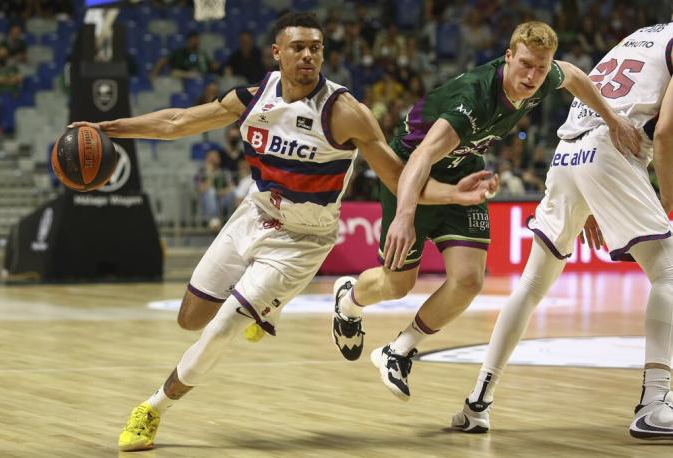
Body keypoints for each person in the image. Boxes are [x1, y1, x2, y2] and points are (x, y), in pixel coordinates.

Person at [69, 12, 498, 452]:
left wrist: (452, 195)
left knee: (220, 329)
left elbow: (398, 178)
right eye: (299, 47)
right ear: (277, 53)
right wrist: (109, 128)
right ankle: (266, 309)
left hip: (301, 240)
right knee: (189, 319)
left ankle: (152, 409)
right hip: (251, 215)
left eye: (316, 47)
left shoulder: (347, 113)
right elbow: (178, 122)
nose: (309, 55)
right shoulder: (255, 98)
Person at [330, 21, 641, 402]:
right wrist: (404, 216)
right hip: (411, 172)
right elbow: (422, 157)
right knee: (398, 285)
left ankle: (399, 349)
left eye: (540, 68)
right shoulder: (473, 97)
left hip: (464, 172)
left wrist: (612, 120)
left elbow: (575, 76)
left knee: (469, 281)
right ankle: (348, 300)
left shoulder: (545, 76)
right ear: (508, 56)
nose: (532, 76)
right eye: (525, 64)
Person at [451, 22, 673, 440]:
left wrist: (591, 195)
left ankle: (477, 402)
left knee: (533, 283)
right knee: (669, 272)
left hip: (570, 151)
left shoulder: (644, 34)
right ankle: (655, 403)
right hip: (613, 148)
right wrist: (667, 202)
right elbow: (664, 133)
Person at [150, 31, 214, 81]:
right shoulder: (179, 53)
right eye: (193, 39)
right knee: (175, 73)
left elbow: (211, 65)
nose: (195, 42)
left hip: (201, 78)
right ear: (188, 41)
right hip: (182, 78)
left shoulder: (202, 54)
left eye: (197, 39)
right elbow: (163, 61)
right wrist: (153, 74)